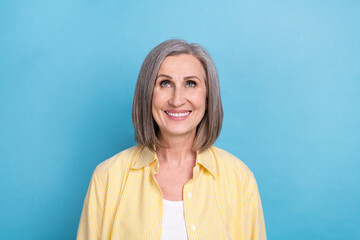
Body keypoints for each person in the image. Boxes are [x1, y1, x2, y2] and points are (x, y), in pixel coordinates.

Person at [77, 39, 266, 240]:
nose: (177, 100)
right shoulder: (107, 178)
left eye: (191, 83)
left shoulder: (239, 179)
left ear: (208, 97)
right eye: (165, 83)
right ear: (147, 94)